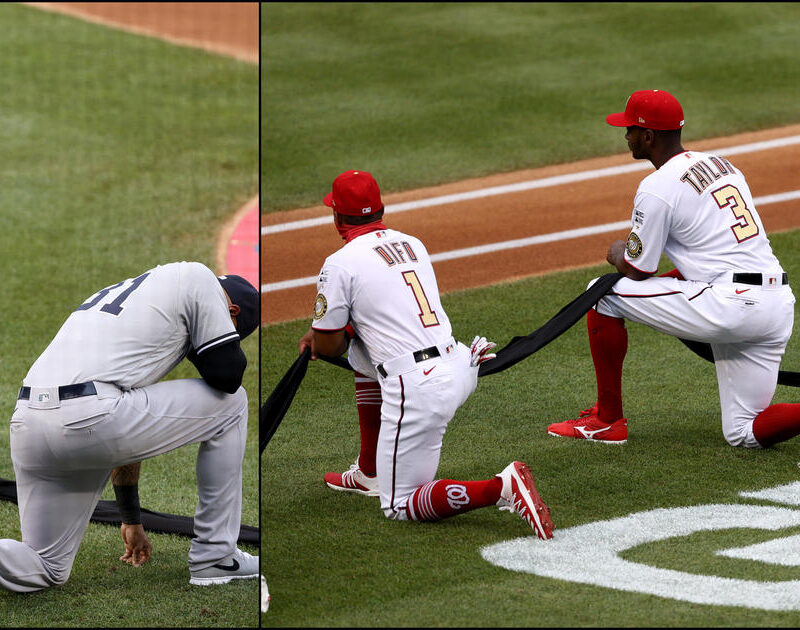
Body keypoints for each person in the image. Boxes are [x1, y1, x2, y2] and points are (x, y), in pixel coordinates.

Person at [0, 261, 260, 618]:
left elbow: (129, 424)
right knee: (232, 403)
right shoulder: (198, 276)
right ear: (230, 312)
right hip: (90, 415)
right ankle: (216, 557)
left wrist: (130, 515)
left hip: (29, 423)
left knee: (47, 566)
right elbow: (227, 373)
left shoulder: (136, 303)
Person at [301, 169, 554, 539]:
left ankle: (502, 486)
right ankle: (369, 470)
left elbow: (327, 346)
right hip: (461, 361)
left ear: (337, 217)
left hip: (419, 388)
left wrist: (327, 335)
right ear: (381, 208)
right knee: (363, 356)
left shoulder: (339, 263)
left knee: (400, 505)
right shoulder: (412, 243)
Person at [547, 89, 800, 448]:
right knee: (744, 432)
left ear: (649, 136)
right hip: (776, 304)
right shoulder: (724, 165)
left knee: (600, 294)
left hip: (732, 303)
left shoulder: (657, 187)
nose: (625, 135)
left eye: (631, 128)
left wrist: (617, 251)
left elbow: (637, 269)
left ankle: (607, 420)